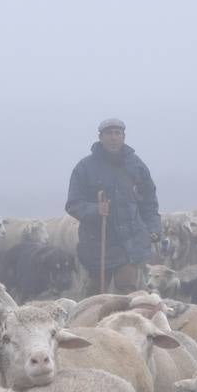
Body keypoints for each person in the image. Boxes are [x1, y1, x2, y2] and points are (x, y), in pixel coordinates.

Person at [65, 117, 161, 295]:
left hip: (129, 243)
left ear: (124, 136)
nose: (113, 137)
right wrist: (95, 210)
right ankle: (92, 322)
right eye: (109, 133)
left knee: (128, 290)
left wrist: (153, 228)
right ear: (100, 137)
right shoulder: (85, 167)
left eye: (118, 133)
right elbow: (73, 203)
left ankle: (125, 322)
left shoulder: (136, 165)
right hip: (98, 243)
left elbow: (149, 200)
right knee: (95, 294)